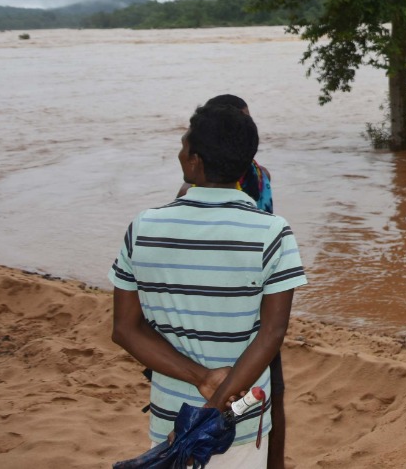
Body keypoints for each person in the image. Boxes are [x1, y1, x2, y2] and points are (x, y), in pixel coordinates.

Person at [111, 103, 306, 469]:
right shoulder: (273, 233)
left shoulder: (143, 227)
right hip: (240, 418)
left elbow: (124, 328)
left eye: (184, 145)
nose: (179, 152)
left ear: (195, 162)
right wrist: (211, 410)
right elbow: (272, 333)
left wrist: (200, 383)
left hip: (171, 413)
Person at [173, 94, 285, 469]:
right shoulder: (259, 175)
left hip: (236, 298)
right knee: (269, 392)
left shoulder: (195, 187)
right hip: (255, 300)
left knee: (266, 393)